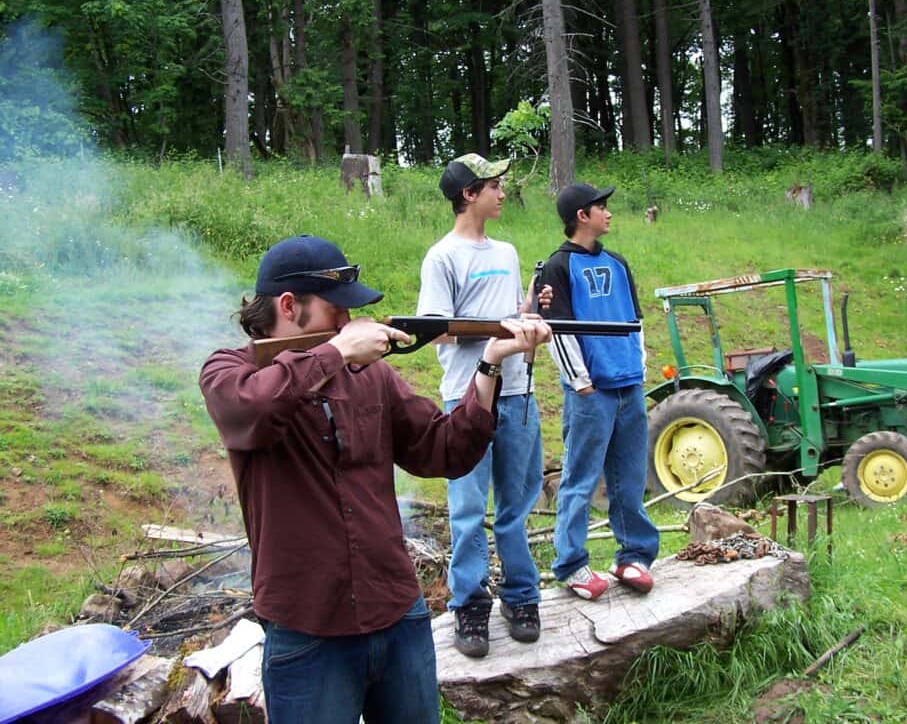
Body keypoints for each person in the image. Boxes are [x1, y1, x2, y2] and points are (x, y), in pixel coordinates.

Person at [199, 234, 550, 724]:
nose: (348, 320)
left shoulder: (371, 376)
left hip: (396, 610)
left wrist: (491, 363)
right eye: (335, 309)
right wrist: (337, 351)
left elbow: (445, 450)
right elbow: (252, 408)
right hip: (308, 626)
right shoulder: (229, 371)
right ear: (287, 305)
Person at [417, 153, 545, 658]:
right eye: (494, 184)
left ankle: (521, 594)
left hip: (518, 393)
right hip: (467, 396)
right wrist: (496, 334)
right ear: (469, 194)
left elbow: (514, 314)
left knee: (516, 505)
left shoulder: (509, 251)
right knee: (468, 509)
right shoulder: (441, 257)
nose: (502, 191)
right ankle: (469, 603)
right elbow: (434, 331)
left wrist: (529, 320)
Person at [540, 183, 660, 600]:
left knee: (628, 476)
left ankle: (635, 556)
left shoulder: (619, 263)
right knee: (580, 477)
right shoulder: (556, 266)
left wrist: (638, 370)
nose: (608, 214)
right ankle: (571, 563)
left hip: (629, 384)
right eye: (601, 207)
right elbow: (557, 329)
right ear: (580, 216)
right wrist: (581, 381)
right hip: (591, 392)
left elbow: (635, 321)